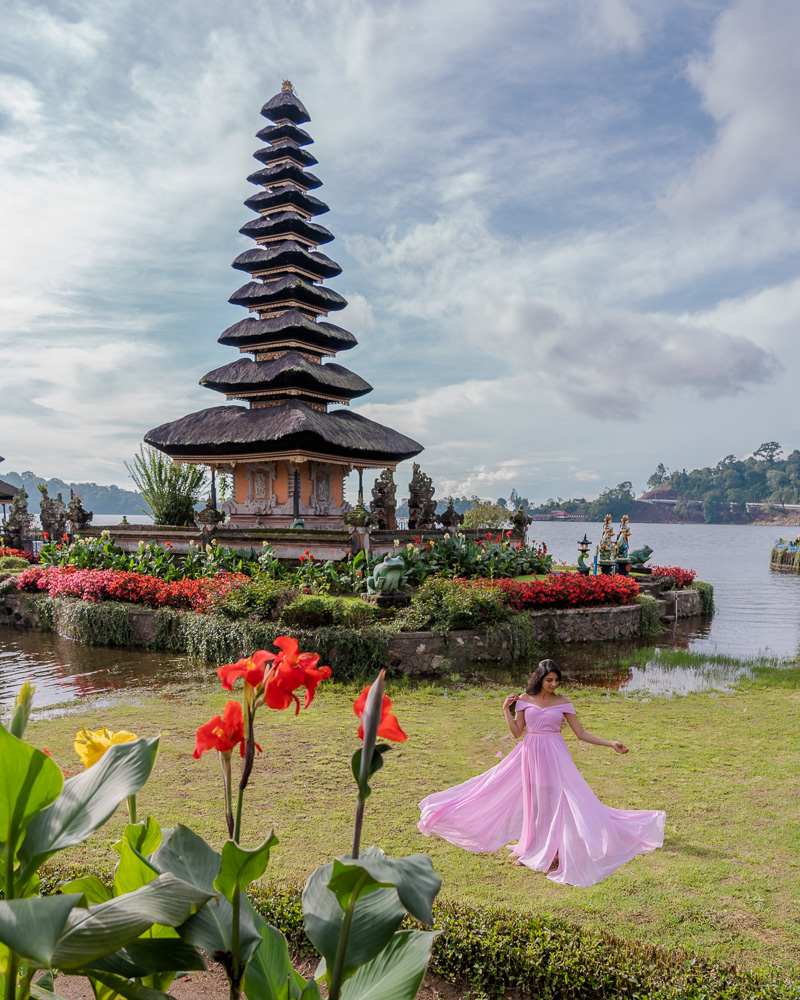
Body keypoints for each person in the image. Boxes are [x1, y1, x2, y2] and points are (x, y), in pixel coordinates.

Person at [417, 659, 665, 887]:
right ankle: (531, 848)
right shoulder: (524, 699)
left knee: (559, 801)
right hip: (531, 754)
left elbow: (581, 733)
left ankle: (554, 849)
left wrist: (611, 743)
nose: (554, 684)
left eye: (557, 680)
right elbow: (517, 733)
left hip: (556, 755)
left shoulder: (564, 702)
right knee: (535, 804)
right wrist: (506, 709)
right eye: (550, 680)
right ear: (540, 679)